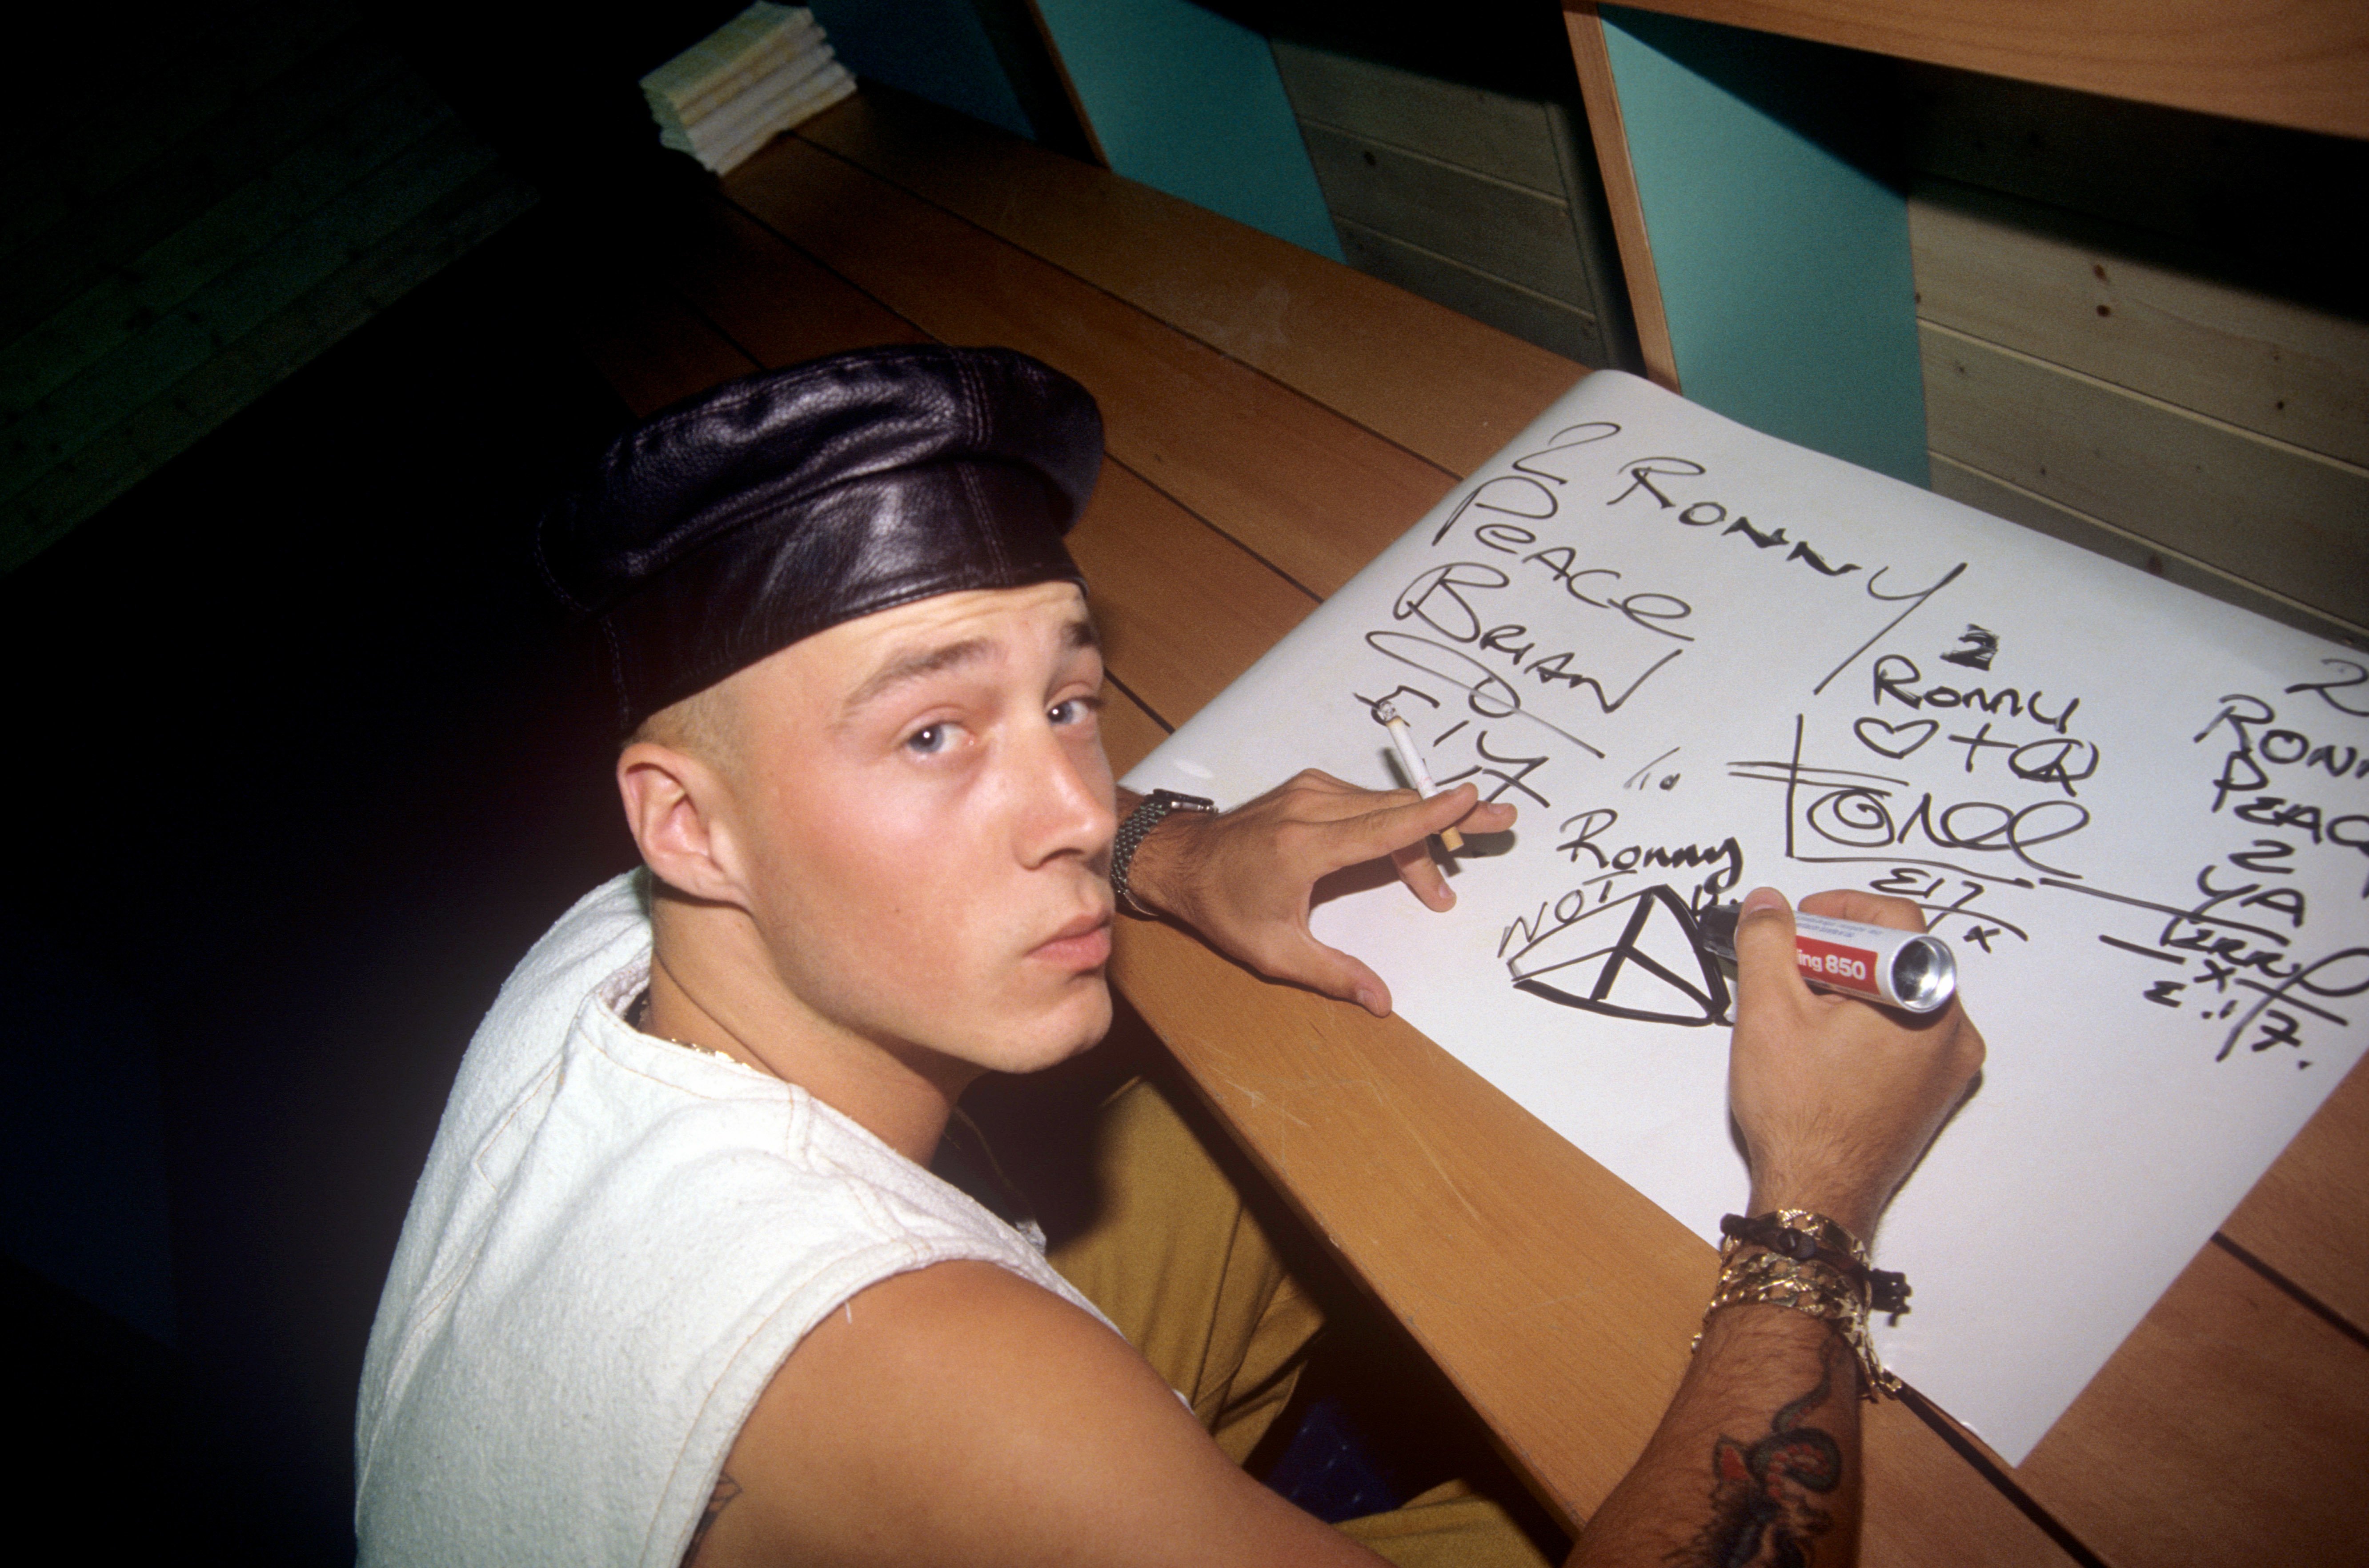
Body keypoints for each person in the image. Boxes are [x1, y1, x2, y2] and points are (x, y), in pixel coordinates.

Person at [354, 347, 1983, 1567]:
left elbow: (1076, 816)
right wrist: (1816, 1204)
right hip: (919, 1409)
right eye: (932, 732)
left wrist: (1175, 850)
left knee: (1299, 1107)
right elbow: (948, 1392)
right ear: (689, 825)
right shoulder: (904, 1368)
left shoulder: (611, 942)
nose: (1069, 802)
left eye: (1064, 698)